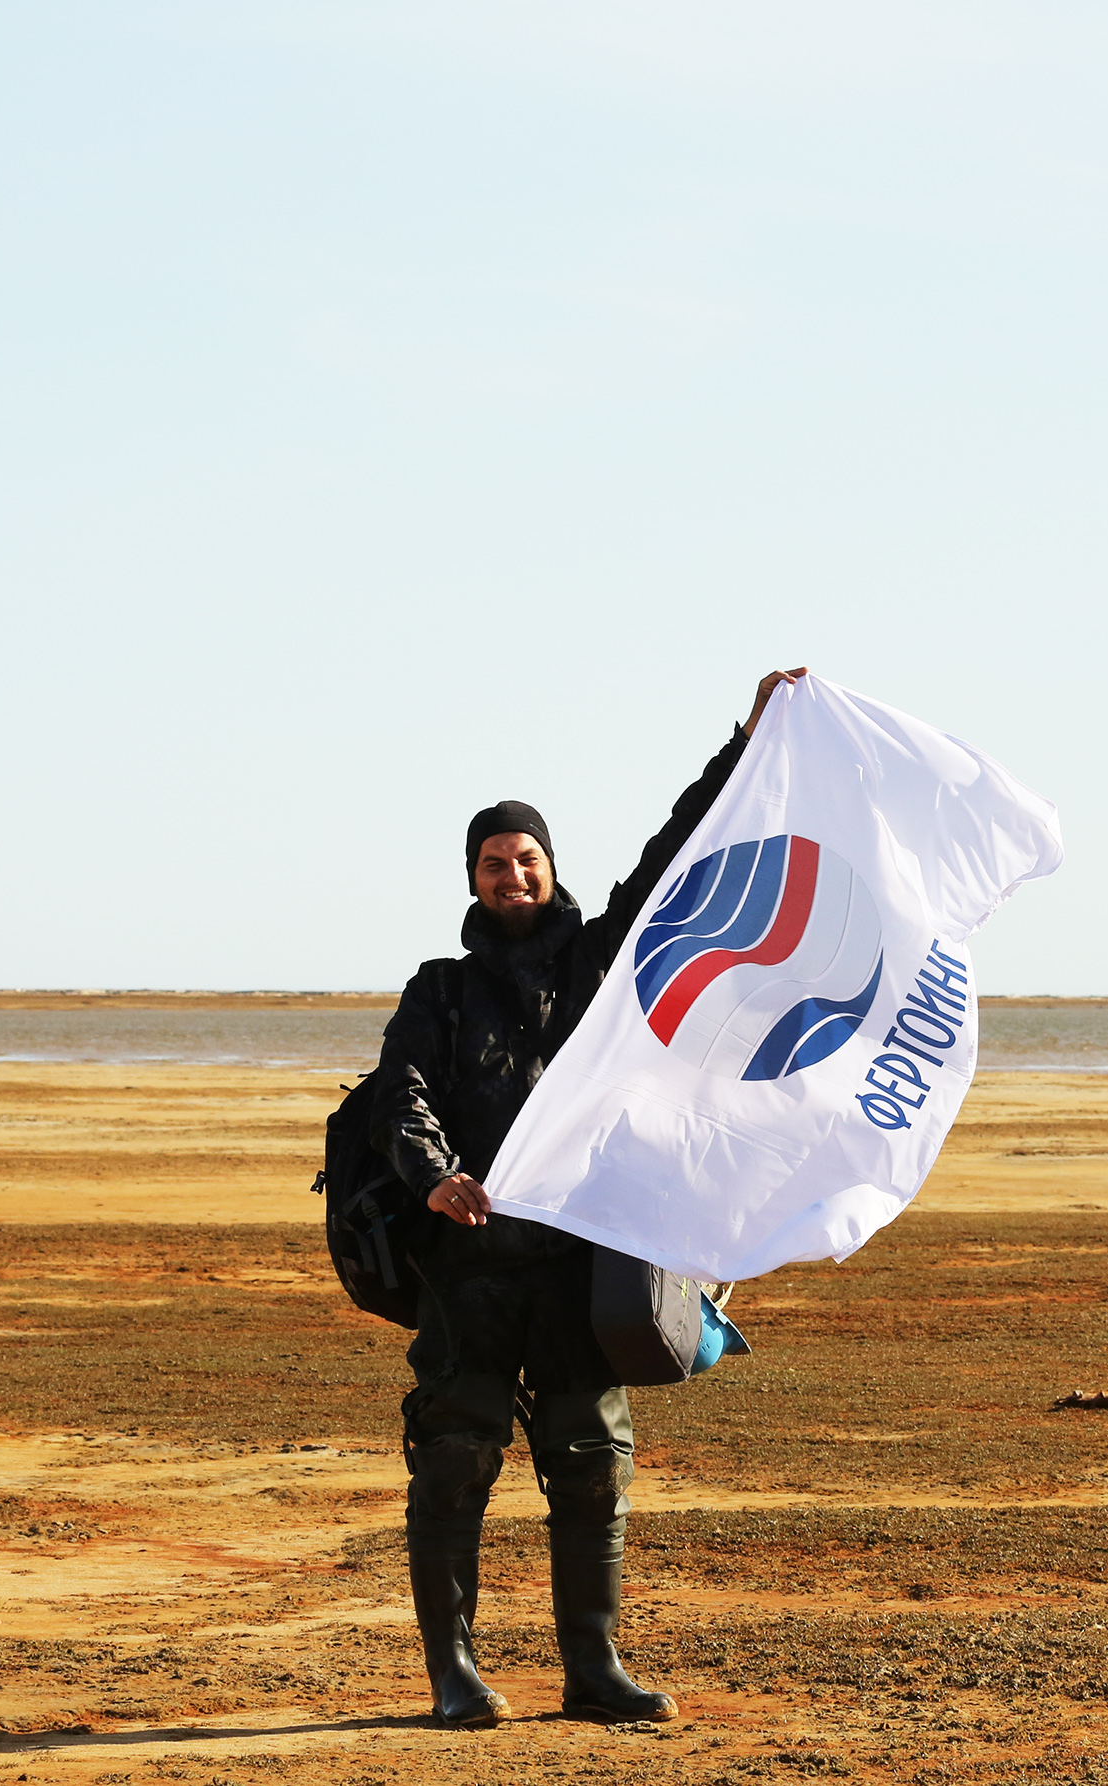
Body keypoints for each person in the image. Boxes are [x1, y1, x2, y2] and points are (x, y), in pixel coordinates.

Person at [368, 667, 805, 1729]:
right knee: (455, 1459)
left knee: (591, 1464)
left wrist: (747, 740)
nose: (511, 874)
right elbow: (400, 1090)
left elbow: (676, 852)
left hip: (581, 1257)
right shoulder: (439, 989)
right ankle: (453, 1675)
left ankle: (594, 1670)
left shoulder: (605, 961)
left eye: (526, 858)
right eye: (492, 861)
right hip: (470, 1265)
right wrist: (436, 1179)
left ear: (550, 866)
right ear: (472, 878)